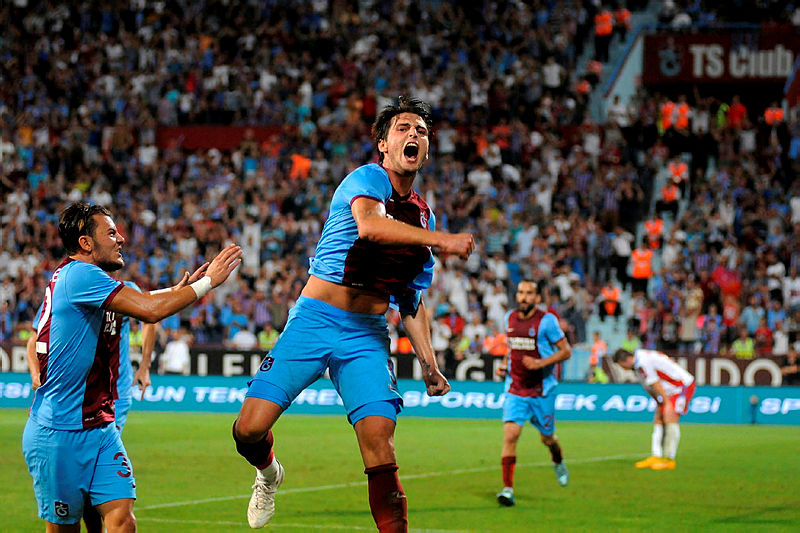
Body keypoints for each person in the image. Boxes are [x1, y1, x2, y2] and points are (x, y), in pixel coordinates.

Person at [232, 96, 474, 531]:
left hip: (366, 334)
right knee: (248, 429)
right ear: (383, 143)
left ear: (426, 149)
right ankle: (268, 473)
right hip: (314, 320)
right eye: (403, 128)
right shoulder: (366, 178)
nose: (413, 135)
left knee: (380, 444)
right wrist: (443, 241)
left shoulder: (424, 216)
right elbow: (370, 227)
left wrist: (430, 365)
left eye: (421, 131)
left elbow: (410, 299)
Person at [22, 202, 241, 533]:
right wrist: (207, 283)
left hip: (101, 428)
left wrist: (179, 290)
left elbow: (144, 302)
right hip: (60, 432)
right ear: (85, 243)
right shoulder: (79, 275)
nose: (121, 238)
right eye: (111, 233)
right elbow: (150, 310)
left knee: (123, 521)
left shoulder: (87, 281)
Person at [26, 278, 157, 533]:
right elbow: (34, 340)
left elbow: (150, 317)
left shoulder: (125, 290)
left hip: (115, 396)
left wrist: (145, 364)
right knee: (84, 477)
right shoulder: (66, 288)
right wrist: (35, 374)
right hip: (75, 401)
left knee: (95, 474)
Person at [495, 280, 572, 507]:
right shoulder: (509, 318)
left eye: (529, 293)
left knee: (547, 438)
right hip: (515, 388)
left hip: (542, 390)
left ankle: (558, 460)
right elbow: (512, 347)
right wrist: (504, 365)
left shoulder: (547, 321)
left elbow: (566, 351)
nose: (524, 297)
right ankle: (507, 489)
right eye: (521, 292)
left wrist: (540, 363)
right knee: (510, 436)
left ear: (537, 298)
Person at [612, 348, 696, 470]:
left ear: (627, 360)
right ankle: (656, 456)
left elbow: (655, 382)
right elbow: (648, 385)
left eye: (622, 365)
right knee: (658, 417)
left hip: (681, 386)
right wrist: (658, 401)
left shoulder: (643, 361)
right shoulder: (638, 362)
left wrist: (667, 402)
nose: (623, 369)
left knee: (670, 416)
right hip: (669, 389)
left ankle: (669, 459)